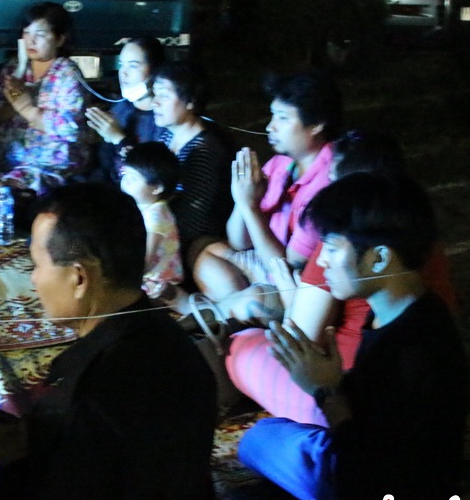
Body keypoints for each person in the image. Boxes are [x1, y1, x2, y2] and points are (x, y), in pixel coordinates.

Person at [0, 183, 217, 500]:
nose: (33, 279)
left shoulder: (90, 396)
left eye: (37, 265)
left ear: (79, 278)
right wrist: (28, 444)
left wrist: (17, 461)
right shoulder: (171, 340)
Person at [235, 173, 469, 500]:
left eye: (331, 247)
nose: (322, 261)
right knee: (258, 440)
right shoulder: (400, 309)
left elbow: (363, 478)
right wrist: (332, 384)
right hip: (366, 470)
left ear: (379, 258)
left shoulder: (413, 353)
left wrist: (325, 391)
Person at [225, 129, 458, 423]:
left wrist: (324, 390)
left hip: (343, 404)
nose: (324, 258)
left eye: (332, 180)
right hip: (362, 404)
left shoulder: (348, 238)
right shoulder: (418, 239)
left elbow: (298, 340)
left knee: (239, 349)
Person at [189, 72, 343, 318]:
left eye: (282, 117)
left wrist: (250, 206)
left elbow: (288, 264)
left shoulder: (328, 182)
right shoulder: (282, 164)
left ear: (316, 124)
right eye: (273, 115)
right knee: (204, 250)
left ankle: (214, 315)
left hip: (299, 283)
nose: (270, 126)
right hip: (269, 265)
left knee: (256, 300)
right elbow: (239, 242)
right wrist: (242, 200)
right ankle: (232, 313)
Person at [0, 2, 90, 199]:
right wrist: (10, 103)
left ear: (60, 39)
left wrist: (27, 109)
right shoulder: (15, 68)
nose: (31, 41)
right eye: (26, 33)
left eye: (40, 35)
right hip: (15, 156)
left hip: (53, 161)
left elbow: (70, 128)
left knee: (6, 197)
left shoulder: (68, 73)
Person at [150, 61, 232, 269]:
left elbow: (193, 219)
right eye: (155, 94)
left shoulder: (203, 151)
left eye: (164, 95)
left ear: (190, 101)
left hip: (188, 245)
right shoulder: (167, 135)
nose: (155, 102)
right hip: (161, 229)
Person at [85, 37, 167, 183]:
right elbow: (106, 166)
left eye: (133, 66)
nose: (123, 73)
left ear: (155, 71)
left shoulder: (164, 117)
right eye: (121, 65)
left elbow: (152, 176)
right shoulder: (121, 106)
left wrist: (119, 139)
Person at [119, 142, 184, 299]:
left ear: (157, 187)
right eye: (125, 174)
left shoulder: (156, 215)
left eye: (133, 178)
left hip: (159, 279)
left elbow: (147, 259)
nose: (125, 181)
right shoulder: (140, 205)